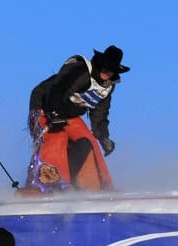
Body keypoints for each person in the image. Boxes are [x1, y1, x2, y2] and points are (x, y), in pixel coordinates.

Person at [24, 45, 130, 193]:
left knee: (88, 141)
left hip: (69, 114)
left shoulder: (107, 87)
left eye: (111, 69)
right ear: (100, 64)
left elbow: (100, 112)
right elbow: (57, 88)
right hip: (45, 106)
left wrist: (103, 136)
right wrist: (54, 114)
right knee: (57, 138)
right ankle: (44, 186)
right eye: (105, 67)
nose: (107, 72)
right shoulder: (81, 70)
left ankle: (96, 187)